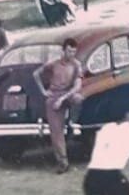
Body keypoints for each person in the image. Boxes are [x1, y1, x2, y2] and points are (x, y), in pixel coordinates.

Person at [33, 38, 85, 173]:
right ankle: (63, 161)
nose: (72, 54)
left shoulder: (76, 65)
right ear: (63, 50)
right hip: (54, 95)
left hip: (68, 94)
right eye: (69, 51)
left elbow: (77, 86)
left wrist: (63, 99)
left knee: (79, 98)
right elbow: (36, 74)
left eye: (74, 51)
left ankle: (73, 123)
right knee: (56, 130)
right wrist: (44, 91)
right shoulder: (54, 64)